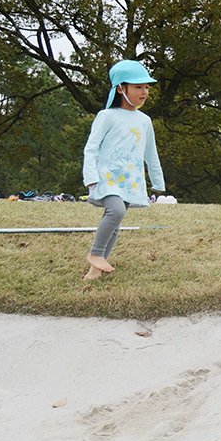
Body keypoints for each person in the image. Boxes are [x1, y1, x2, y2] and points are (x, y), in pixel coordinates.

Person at [82, 60, 165, 281]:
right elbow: (91, 148)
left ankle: (94, 271)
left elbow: (151, 153)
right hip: (106, 176)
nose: (144, 92)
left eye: (146, 87)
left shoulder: (145, 121)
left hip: (130, 180)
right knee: (116, 211)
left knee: (115, 223)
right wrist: (90, 176)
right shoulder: (107, 116)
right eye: (138, 87)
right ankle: (95, 254)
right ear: (120, 88)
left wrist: (157, 181)